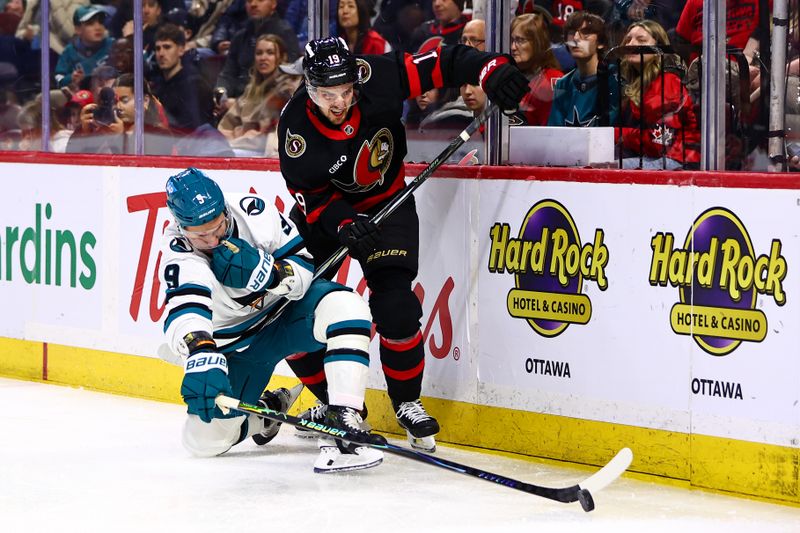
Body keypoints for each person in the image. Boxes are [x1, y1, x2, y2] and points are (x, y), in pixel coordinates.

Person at [277, 36, 528, 452]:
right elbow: (315, 200)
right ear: (309, 88)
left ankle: (407, 402)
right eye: (326, 94)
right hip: (330, 218)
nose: (339, 103)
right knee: (291, 304)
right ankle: (336, 406)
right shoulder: (295, 130)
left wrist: (490, 69)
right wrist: (344, 224)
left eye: (345, 91)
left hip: (387, 204)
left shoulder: (378, 76)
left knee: (396, 305)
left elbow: (445, 61)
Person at [160, 167, 384, 473]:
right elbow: (187, 309)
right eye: (200, 235)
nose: (213, 240)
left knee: (347, 306)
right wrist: (201, 350)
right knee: (202, 441)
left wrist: (273, 274)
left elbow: (304, 266)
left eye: (218, 227)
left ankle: (344, 417)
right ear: (181, 226)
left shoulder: (254, 211)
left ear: (225, 210)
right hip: (240, 347)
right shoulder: (179, 253)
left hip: (287, 315)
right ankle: (267, 413)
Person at [616, 20, 700, 169]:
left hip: (679, 159)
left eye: (641, 40)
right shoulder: (639, 84)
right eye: (628, 40)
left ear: (658, 48)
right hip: (656, 155)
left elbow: (661, 140)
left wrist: (620, 135)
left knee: (605, 167)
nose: (631, 44)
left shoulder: (668, 82)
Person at [217, 33, 293, 154]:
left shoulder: (287, 90)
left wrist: (236, 140)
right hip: (239, 145)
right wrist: (228, 139)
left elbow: (267, 135)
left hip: (266, 151)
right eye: (259, 53)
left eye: (270, 53)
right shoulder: (251, 89)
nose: (263, 58)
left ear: (282, 57)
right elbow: (227, 124)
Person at [215, 0, 300, 99]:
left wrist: (240, 103)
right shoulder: (239, 37)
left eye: (260, 0)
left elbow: (289, 77)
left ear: (273, 3)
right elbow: (228, 73)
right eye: (249, 1)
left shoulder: (285, 34)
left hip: (265, 99)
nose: (253, 4)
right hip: (236, 97)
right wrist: (222, 92)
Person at [548, 11, 619, 127]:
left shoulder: (613, 78)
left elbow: (613, 127)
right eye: (572, 33)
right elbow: (554, 130)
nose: (576, 38)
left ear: (600, 43)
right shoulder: (563, 84)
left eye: (585, 33)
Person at [510, 13, 563, 126]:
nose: (513, 47)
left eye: (520, 40)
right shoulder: (510, 78)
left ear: (538, 42)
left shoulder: (551, 80)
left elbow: (551, 131)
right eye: (512, 40)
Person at [54, 5, 114, 90]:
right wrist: (71, 78)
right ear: (78, 29)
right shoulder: (69, 51)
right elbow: (58, 77)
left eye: (101, 22)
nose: (98, 27)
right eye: (90, 23)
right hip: (80, 93)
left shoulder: (113, 45)